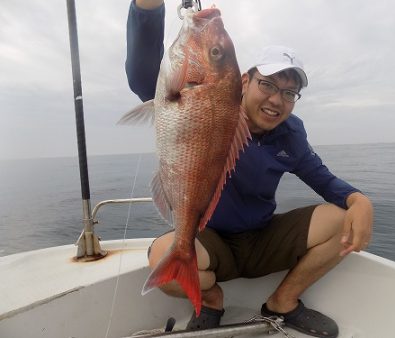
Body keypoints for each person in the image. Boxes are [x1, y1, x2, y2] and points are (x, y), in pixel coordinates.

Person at [126, 1, 374, 337]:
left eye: (289, 92)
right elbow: (143, 74)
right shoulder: (205, 103)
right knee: (163, 260)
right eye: (268, 85)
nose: (276, 100)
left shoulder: (291, 133)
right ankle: (212, 299)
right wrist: (147, 9)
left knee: (342, 218)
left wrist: (359, 199)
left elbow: (322, 179)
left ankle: (282, 302)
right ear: (244, 80)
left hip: (261, 238)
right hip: (210, 239)